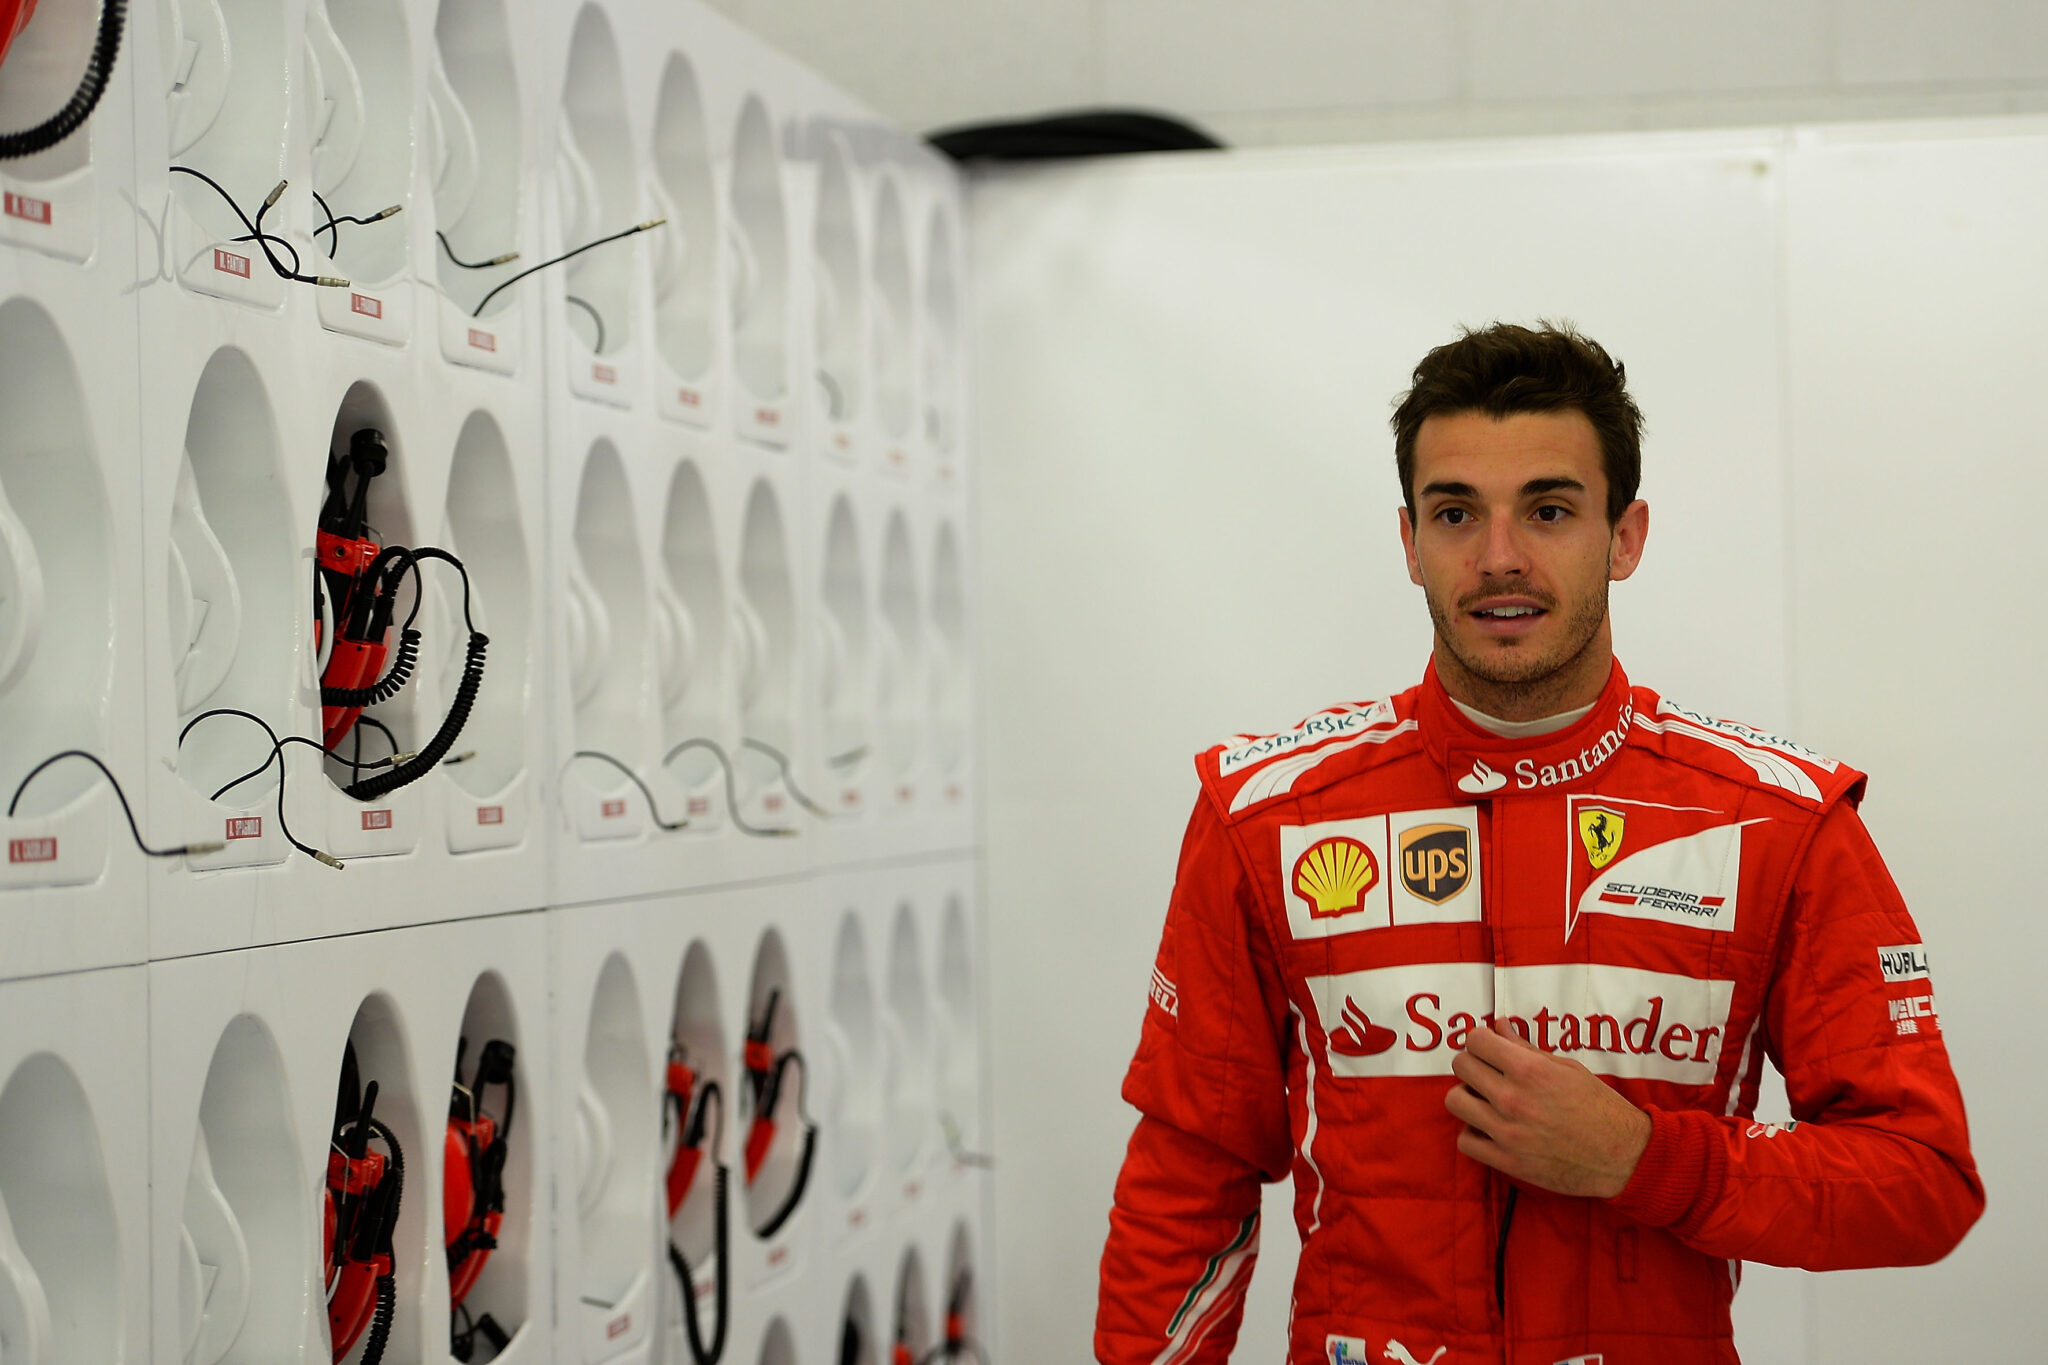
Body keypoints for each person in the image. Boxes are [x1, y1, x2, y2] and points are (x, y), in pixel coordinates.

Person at [1094, 323, 1982, 1365]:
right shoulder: (1266, 814)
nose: (1498, 557)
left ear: (1624, 536)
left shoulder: (1775, 822)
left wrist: (1648, 1160)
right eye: (1455, 512)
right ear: (1407, 540)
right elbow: (1185, 1180)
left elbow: (1920, 1183)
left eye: (1548, 510)